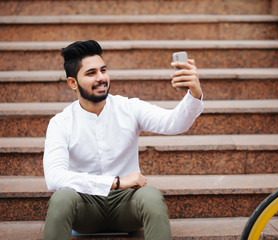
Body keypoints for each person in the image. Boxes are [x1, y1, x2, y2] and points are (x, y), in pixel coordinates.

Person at [43, 40, 204, 240]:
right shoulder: (61, 123)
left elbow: (173, 123)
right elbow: (54, 177)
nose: (101, 78)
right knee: (61, 199)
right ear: (72, 83)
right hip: (85, 208)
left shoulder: (129, 108)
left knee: (151, 197)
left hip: (127, 206)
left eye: (103, 70)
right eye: (91, 73)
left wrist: (194, 93)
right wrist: (116, 182)